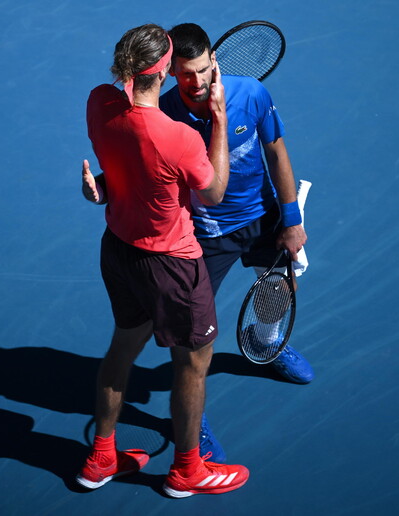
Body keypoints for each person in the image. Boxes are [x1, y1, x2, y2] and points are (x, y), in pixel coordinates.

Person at [83, 23, 313, 386]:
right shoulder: (165, 115)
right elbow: (139, 168)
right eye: (186, 73)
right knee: (194, 340)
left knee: (281, 286)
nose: (196, 80)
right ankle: (192, 409)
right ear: (171, 70)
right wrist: (103, 185)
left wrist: (291, 219)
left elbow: (276, 154)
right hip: (203, 233)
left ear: (214, 60)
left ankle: (268, 342)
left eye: (204, 69)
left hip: (261, 216)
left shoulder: (252, 94)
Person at [76, 23, 249, 498]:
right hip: (172, 265)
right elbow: (212, 192)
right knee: (192, 365)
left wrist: (105, 188)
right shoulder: (178, 138)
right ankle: (188, 471)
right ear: (167, 72)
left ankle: (101, 458)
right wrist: (216, 116)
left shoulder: (98, 102)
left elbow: (128, 165)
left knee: (122, 350)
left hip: (118, 251)